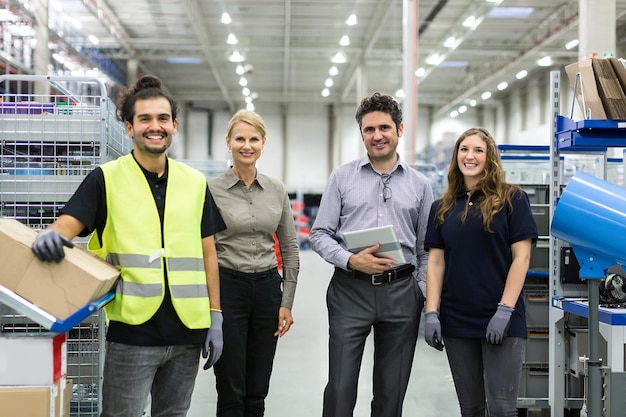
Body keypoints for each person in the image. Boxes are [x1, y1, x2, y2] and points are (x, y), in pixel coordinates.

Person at [30, 75, 226, 417]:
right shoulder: (105, 179)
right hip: (133, 333)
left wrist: (216, 316)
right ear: (129, 128)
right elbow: (68, 223)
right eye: (145, 119)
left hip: (187, 333)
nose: (155, 126)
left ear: (174, 126)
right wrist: (52, 235)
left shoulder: (195, 183)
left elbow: (208, 253)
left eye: (163, 119)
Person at [309, 92, 434, 417]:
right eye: (369, 129)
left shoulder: (420, 185)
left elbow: (426, 250)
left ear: (399, 130)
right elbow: (319, 234)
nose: (377, 135)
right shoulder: (342, 177)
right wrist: (351, 260)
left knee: (391, 394)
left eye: (384, 127)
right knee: (340, 388)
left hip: (401, 294)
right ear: (361, 133)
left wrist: (418, 293)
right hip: (350, 291)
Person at [423, 127, 538, 417]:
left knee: (501, 409)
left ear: (490, 158)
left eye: (478, 150)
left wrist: (504, 310)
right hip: (457, 318)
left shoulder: (513, 199)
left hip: (502, 317)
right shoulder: (442, 207)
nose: (469, 156)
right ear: (456, 156)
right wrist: (432, 312)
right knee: (470, 408)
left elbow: (521, 257)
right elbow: (436, 262)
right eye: (464, 149)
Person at [207, 109, 300, 417]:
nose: (247, 145)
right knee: (230, 386)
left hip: (267, 290)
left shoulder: (276, 189)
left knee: (258, 388)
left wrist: (286, 301)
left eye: (254, 139)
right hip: (228, 287)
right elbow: (201, 247)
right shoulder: (211, 190)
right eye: (240, 139)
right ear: (228, 142)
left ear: (263, 143)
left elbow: (289, 246)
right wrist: (212, 307)